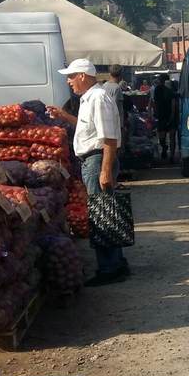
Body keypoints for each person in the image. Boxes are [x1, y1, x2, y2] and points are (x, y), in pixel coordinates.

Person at [50, 58, 129, 286]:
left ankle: (109, 268)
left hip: (97, 161)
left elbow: (109, 138)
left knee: (100, 215)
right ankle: (116, 263)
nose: (68, 81)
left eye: (71, 76)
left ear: (82, 76)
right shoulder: (89, 98)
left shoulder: (98, 98)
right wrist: (63, 116)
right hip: (93, 161)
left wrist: (105, 170)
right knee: (106, 213)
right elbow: (89, 129)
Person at [152, 73, 178, 163]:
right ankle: (165, 148)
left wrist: (172, 115)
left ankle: (171, 156)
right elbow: (155, 102)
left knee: (170, 137)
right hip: (164, 116)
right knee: (164, 138)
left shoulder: (171, 88)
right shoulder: (158, 89)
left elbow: (173, 102)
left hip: (167, 116)